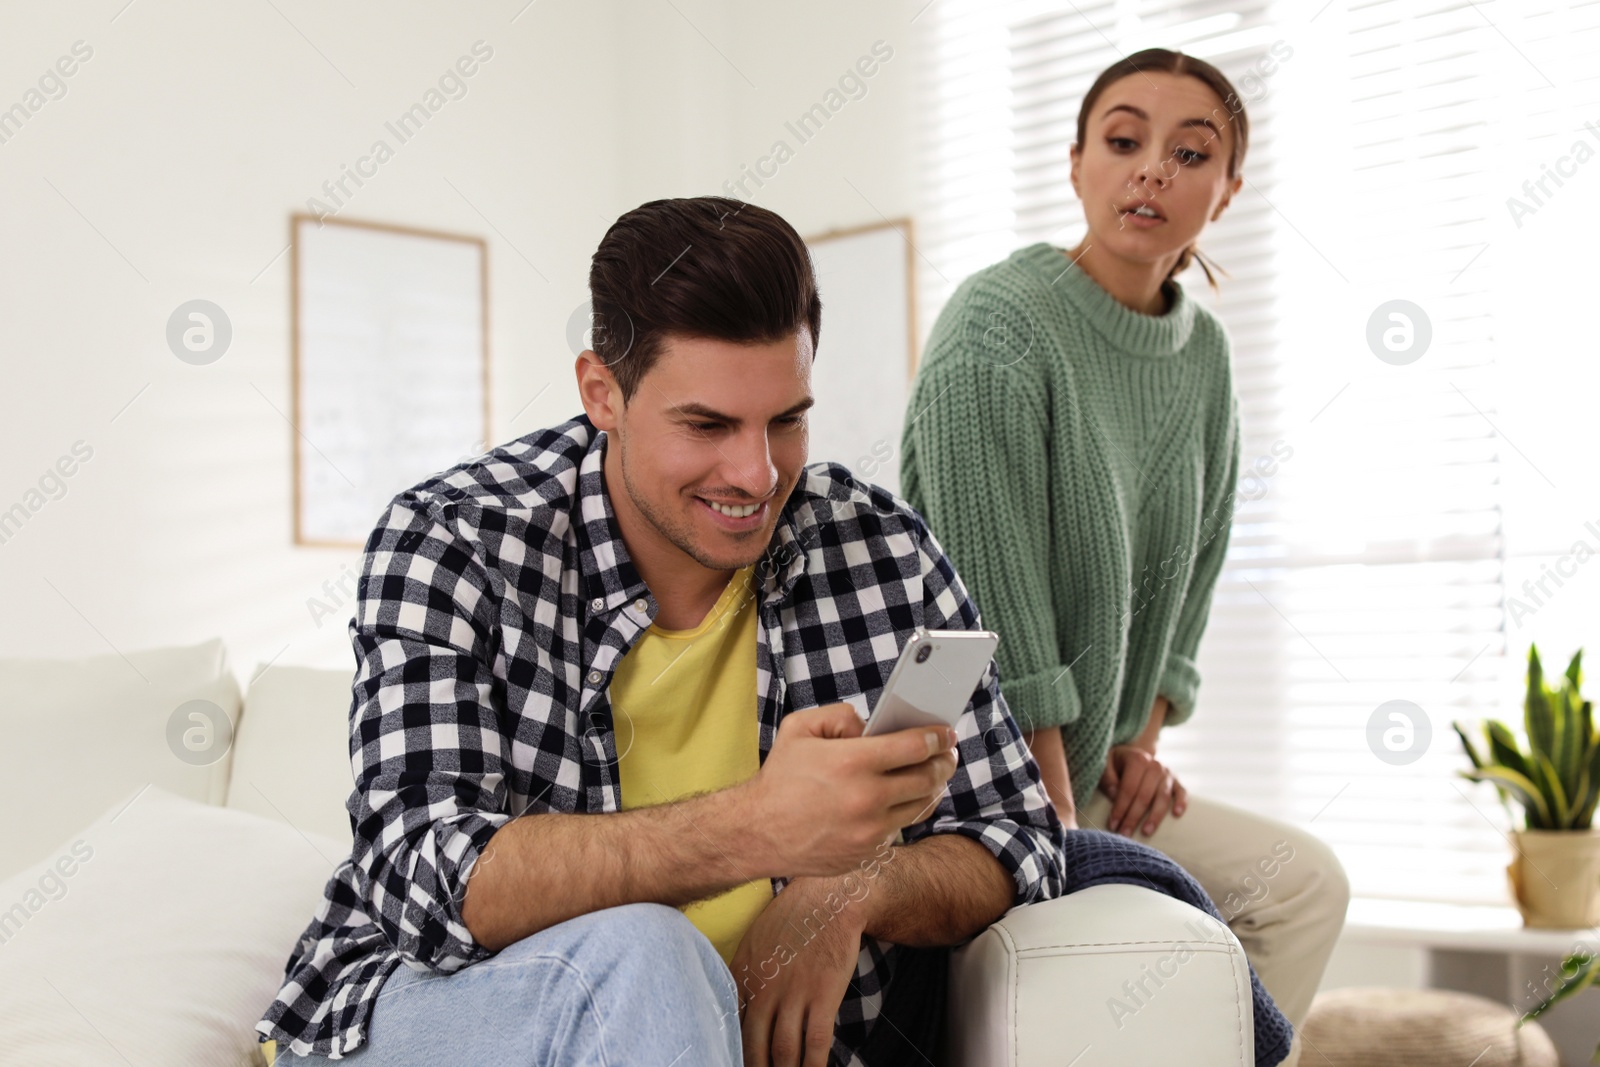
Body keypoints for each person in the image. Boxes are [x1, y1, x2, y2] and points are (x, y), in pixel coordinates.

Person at [255, 196, 1068, 1067]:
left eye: (786, 419)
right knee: (649, 953)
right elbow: (424, 876)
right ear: (601, 393)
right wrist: (761, 826)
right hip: (447, 1016)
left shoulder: (877, 548)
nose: (757, 474)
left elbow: (1020, 835)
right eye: (708, 425)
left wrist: (854, 885)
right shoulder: (454, 541)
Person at [899, 48, 1349, 1067]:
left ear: (1225, 191)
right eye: (1122, 140)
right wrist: (1056, 809)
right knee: (1103, 946)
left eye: (1189, 153)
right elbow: (986, 595)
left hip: (1087, 761)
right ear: (1075, 165)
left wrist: (1141, 744)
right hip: (964, 768)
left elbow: (1191, 574)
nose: (1150, 169)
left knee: (1302, 885)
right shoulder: (998, 326)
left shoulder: (1204, 356)